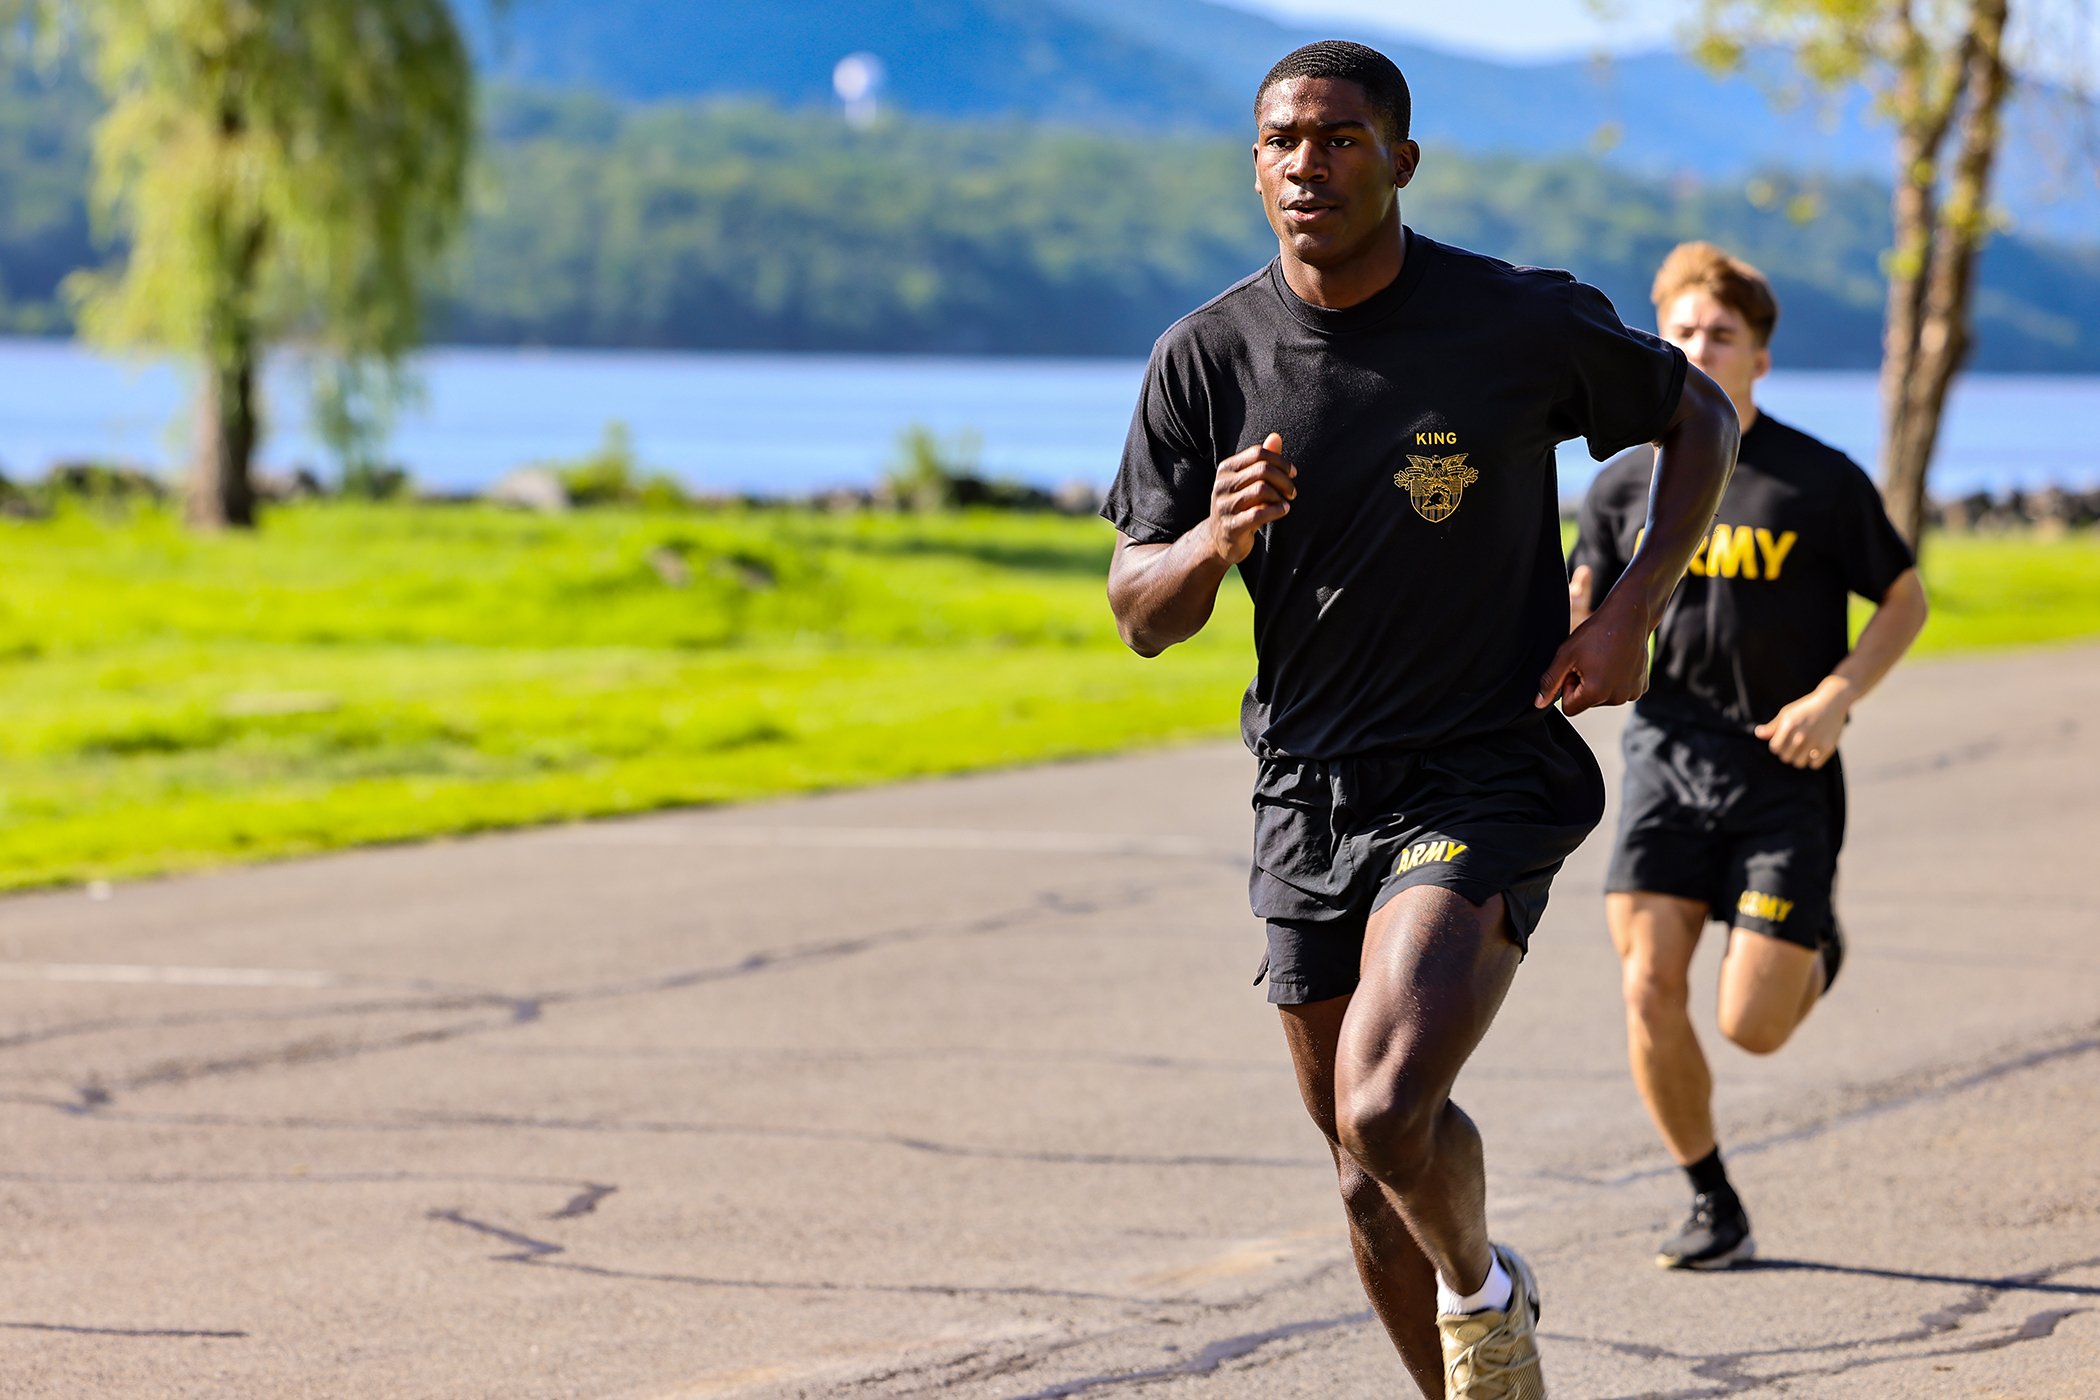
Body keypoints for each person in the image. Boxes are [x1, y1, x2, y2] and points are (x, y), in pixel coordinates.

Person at [1102, 41, 1737, 1400]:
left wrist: (1631, 608)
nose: (1305, 164)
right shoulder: (1206, 359)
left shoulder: (1509, 323)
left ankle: (1481, 1291)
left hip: (1482, 769)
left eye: (1338, 139)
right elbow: (1142, 611)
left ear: (1399, 159)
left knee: (1385, 1107)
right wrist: (1212, 542)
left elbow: (1701, 421)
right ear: (1255, 163)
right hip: (1306, 792)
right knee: (1355, 1166)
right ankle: (1470, 1369)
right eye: (1281, 140)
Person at [1569, 242, 1929, 1271]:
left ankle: (1815, 937)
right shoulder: (1622, 482)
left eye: (1720, 334)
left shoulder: (1815, 478)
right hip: (1665, 761)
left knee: (1755, 1027)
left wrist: (1837, 694)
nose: (1698, 347)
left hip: (1785, 770)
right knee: (1646, 987)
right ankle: (1711, 1198)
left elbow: (1903, 597)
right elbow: (1583, 600)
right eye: (1681, 330)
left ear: (1759, 357)